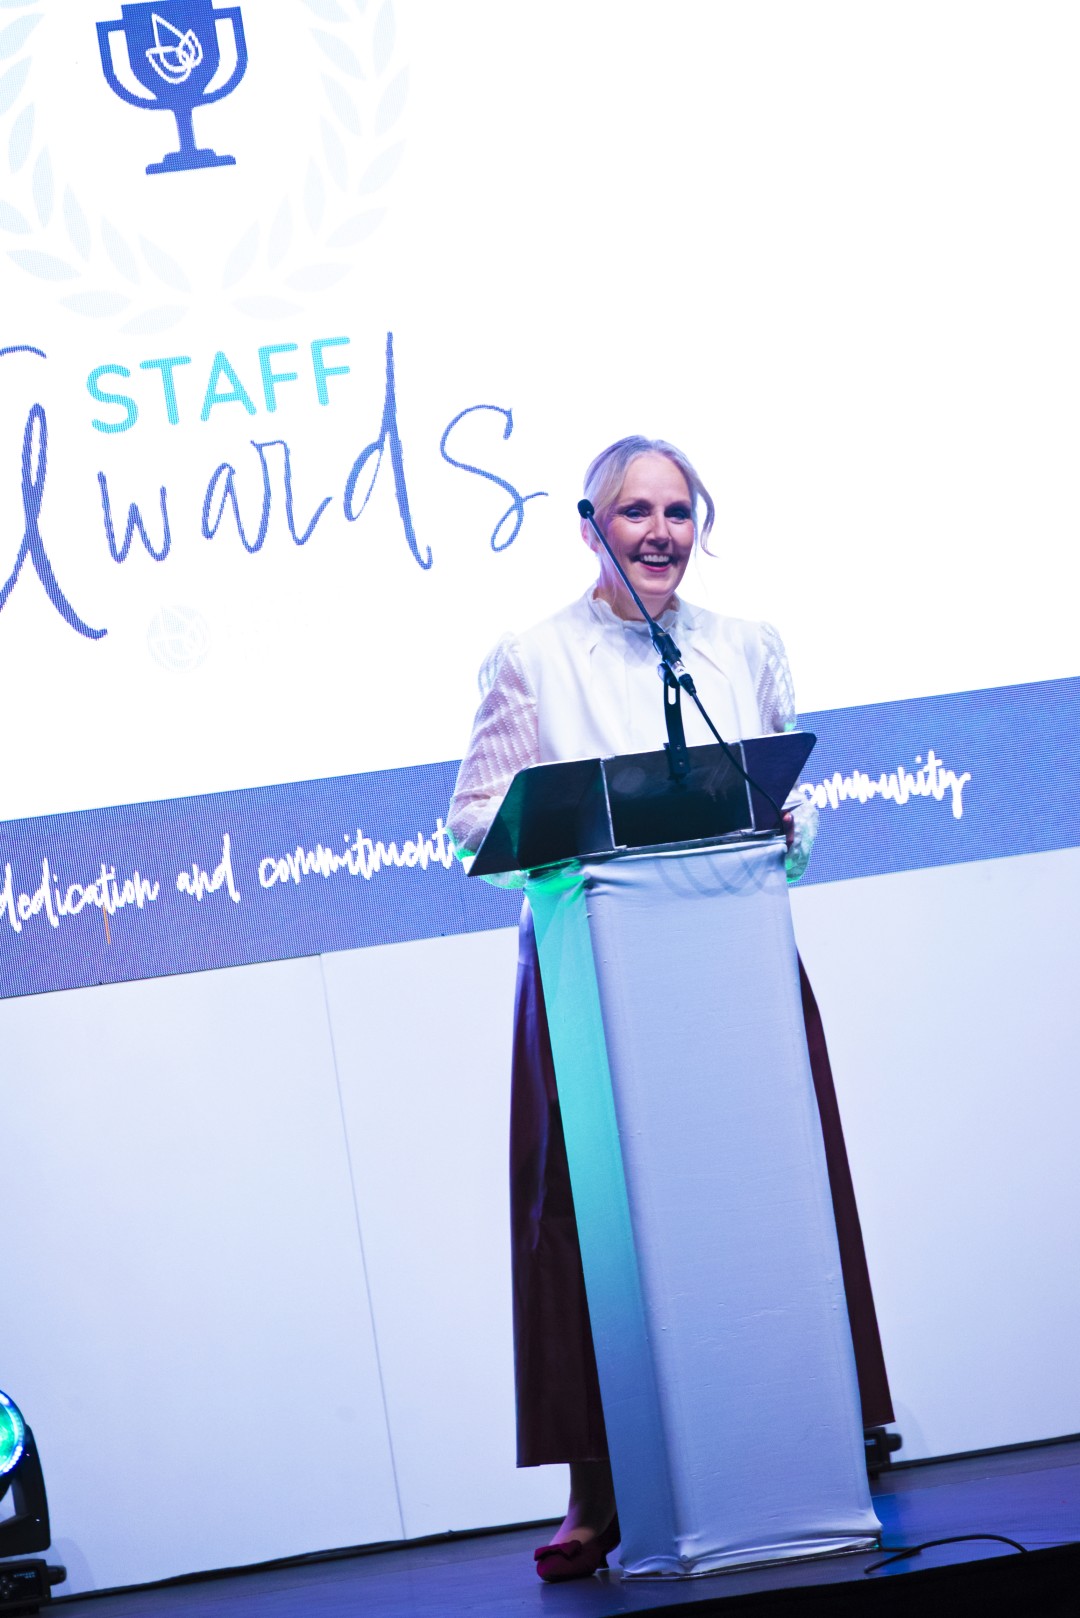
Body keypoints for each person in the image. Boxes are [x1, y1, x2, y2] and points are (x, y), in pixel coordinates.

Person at [447, 436, 892, 1582]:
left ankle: (806, 1442)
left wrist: (786, 829)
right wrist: (571, 835)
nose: (659, 533)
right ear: (589, 526)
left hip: (734, 963)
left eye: (679, 512)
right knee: (588, 1221)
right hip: (596, 980)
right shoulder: (532, 657)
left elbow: (790, 814)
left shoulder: (745, 647)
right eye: (634, 511)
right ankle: (599, 1483)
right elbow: (472, 826)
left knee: (771, 1196)